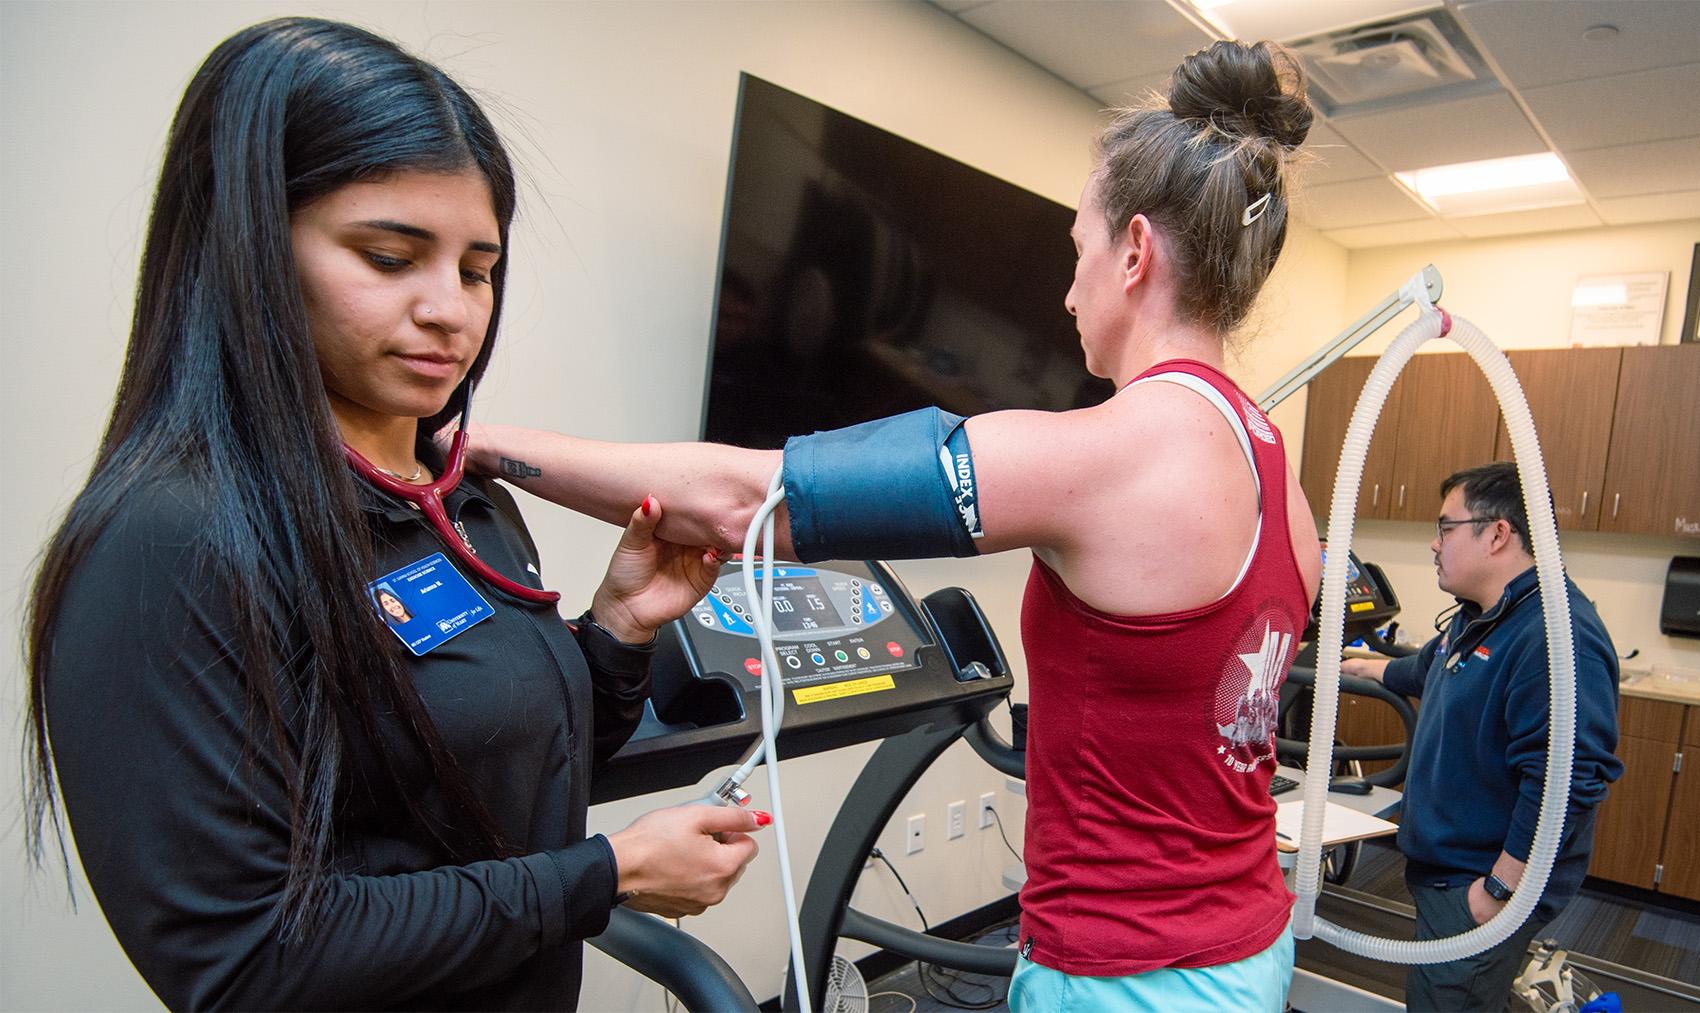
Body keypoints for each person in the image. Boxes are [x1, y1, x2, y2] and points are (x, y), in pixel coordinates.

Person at [462, 40, 1323, 1011]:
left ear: (1132, 251)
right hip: (1249, 948)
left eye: (1076, 252)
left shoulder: (1114, 449)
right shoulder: (1277, 471)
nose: (1067, 289)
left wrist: (482, 442)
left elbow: (751, 502)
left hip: (1126, 975)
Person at [21, 19, 764, 1010]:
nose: (451, 310)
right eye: (388, 256)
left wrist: (619, 631)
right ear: (247, 248)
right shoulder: (172, 537)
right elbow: (248, 962)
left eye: (476, 267)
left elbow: (508, 783)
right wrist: (610, 873)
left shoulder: (464, 498)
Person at [1341, 462, 1622, 1012]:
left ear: (1497, 534)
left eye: (1446, 528)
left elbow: (1564, 784)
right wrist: (1373, 669)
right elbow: (1437, 665)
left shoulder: (1555, 636)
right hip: (1449, 869)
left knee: (1450, 1002)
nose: (1434, 543)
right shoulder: (1485, 615)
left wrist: (1498, 891)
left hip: (1481, 884)